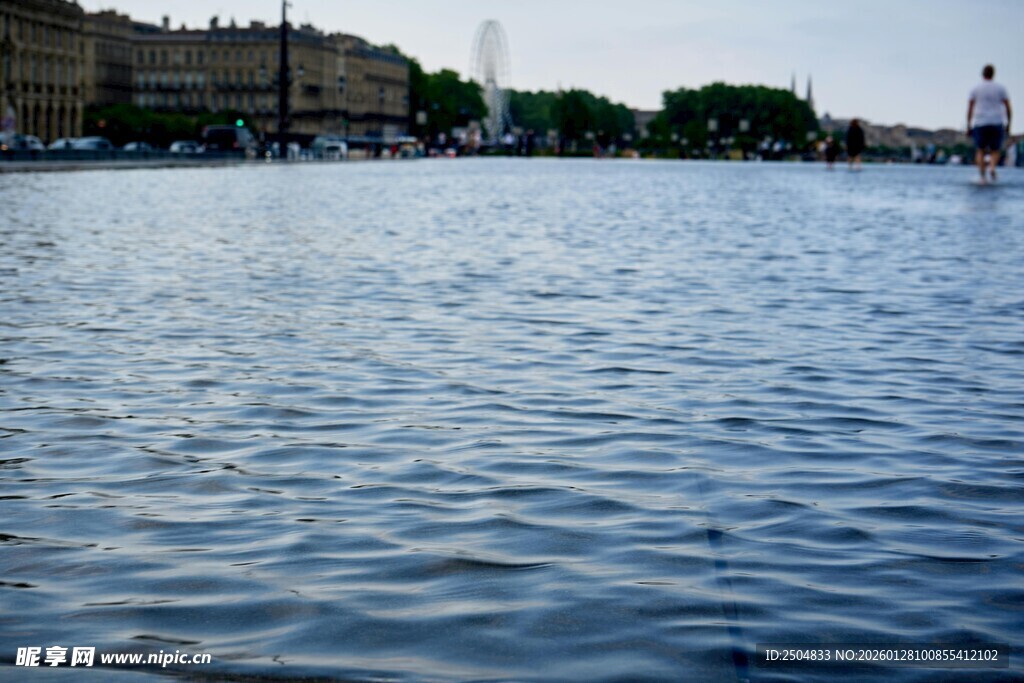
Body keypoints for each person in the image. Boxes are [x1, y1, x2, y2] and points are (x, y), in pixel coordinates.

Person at [967, 64, 1012, 183]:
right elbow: (1008, 107)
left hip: (980, 122)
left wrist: (968, 125)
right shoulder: (1000, 88)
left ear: (983, 74)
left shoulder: (975, 89)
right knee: (995, 150)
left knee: (980, 150)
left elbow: (970, 108)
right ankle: (992, 167)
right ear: (993, 74)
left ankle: (982, 176)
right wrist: (1009, 124)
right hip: (996, 121)